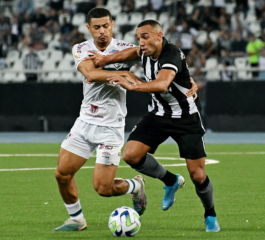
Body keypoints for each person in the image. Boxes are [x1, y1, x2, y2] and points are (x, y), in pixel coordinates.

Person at [53, 7, 198, 232]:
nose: (102, 31)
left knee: (103, 188)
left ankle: (134, 185)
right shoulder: (81, 48)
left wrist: (189, 82)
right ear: (88, 28)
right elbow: (90, 74)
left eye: (106, 25)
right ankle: (76, 219)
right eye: (96, 27)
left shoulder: (129, 49)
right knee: (62, 174)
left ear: (112, 24)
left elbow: (168, 64)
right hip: (84, 121)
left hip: (111, 127)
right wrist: (127, 75)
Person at [89, 19, 221, 232]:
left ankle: (210, 215)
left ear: (159, 36)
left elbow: (161, 84)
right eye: (139, 37)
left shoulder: (171, 54)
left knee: (197, 174)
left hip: (185, 118)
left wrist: (130, 85)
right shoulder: (145, 50)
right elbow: (130, 53)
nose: (141, 42)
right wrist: (106, 58)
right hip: (158, 114)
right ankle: (170, 181)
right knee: (131, 155)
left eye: (145, 36)